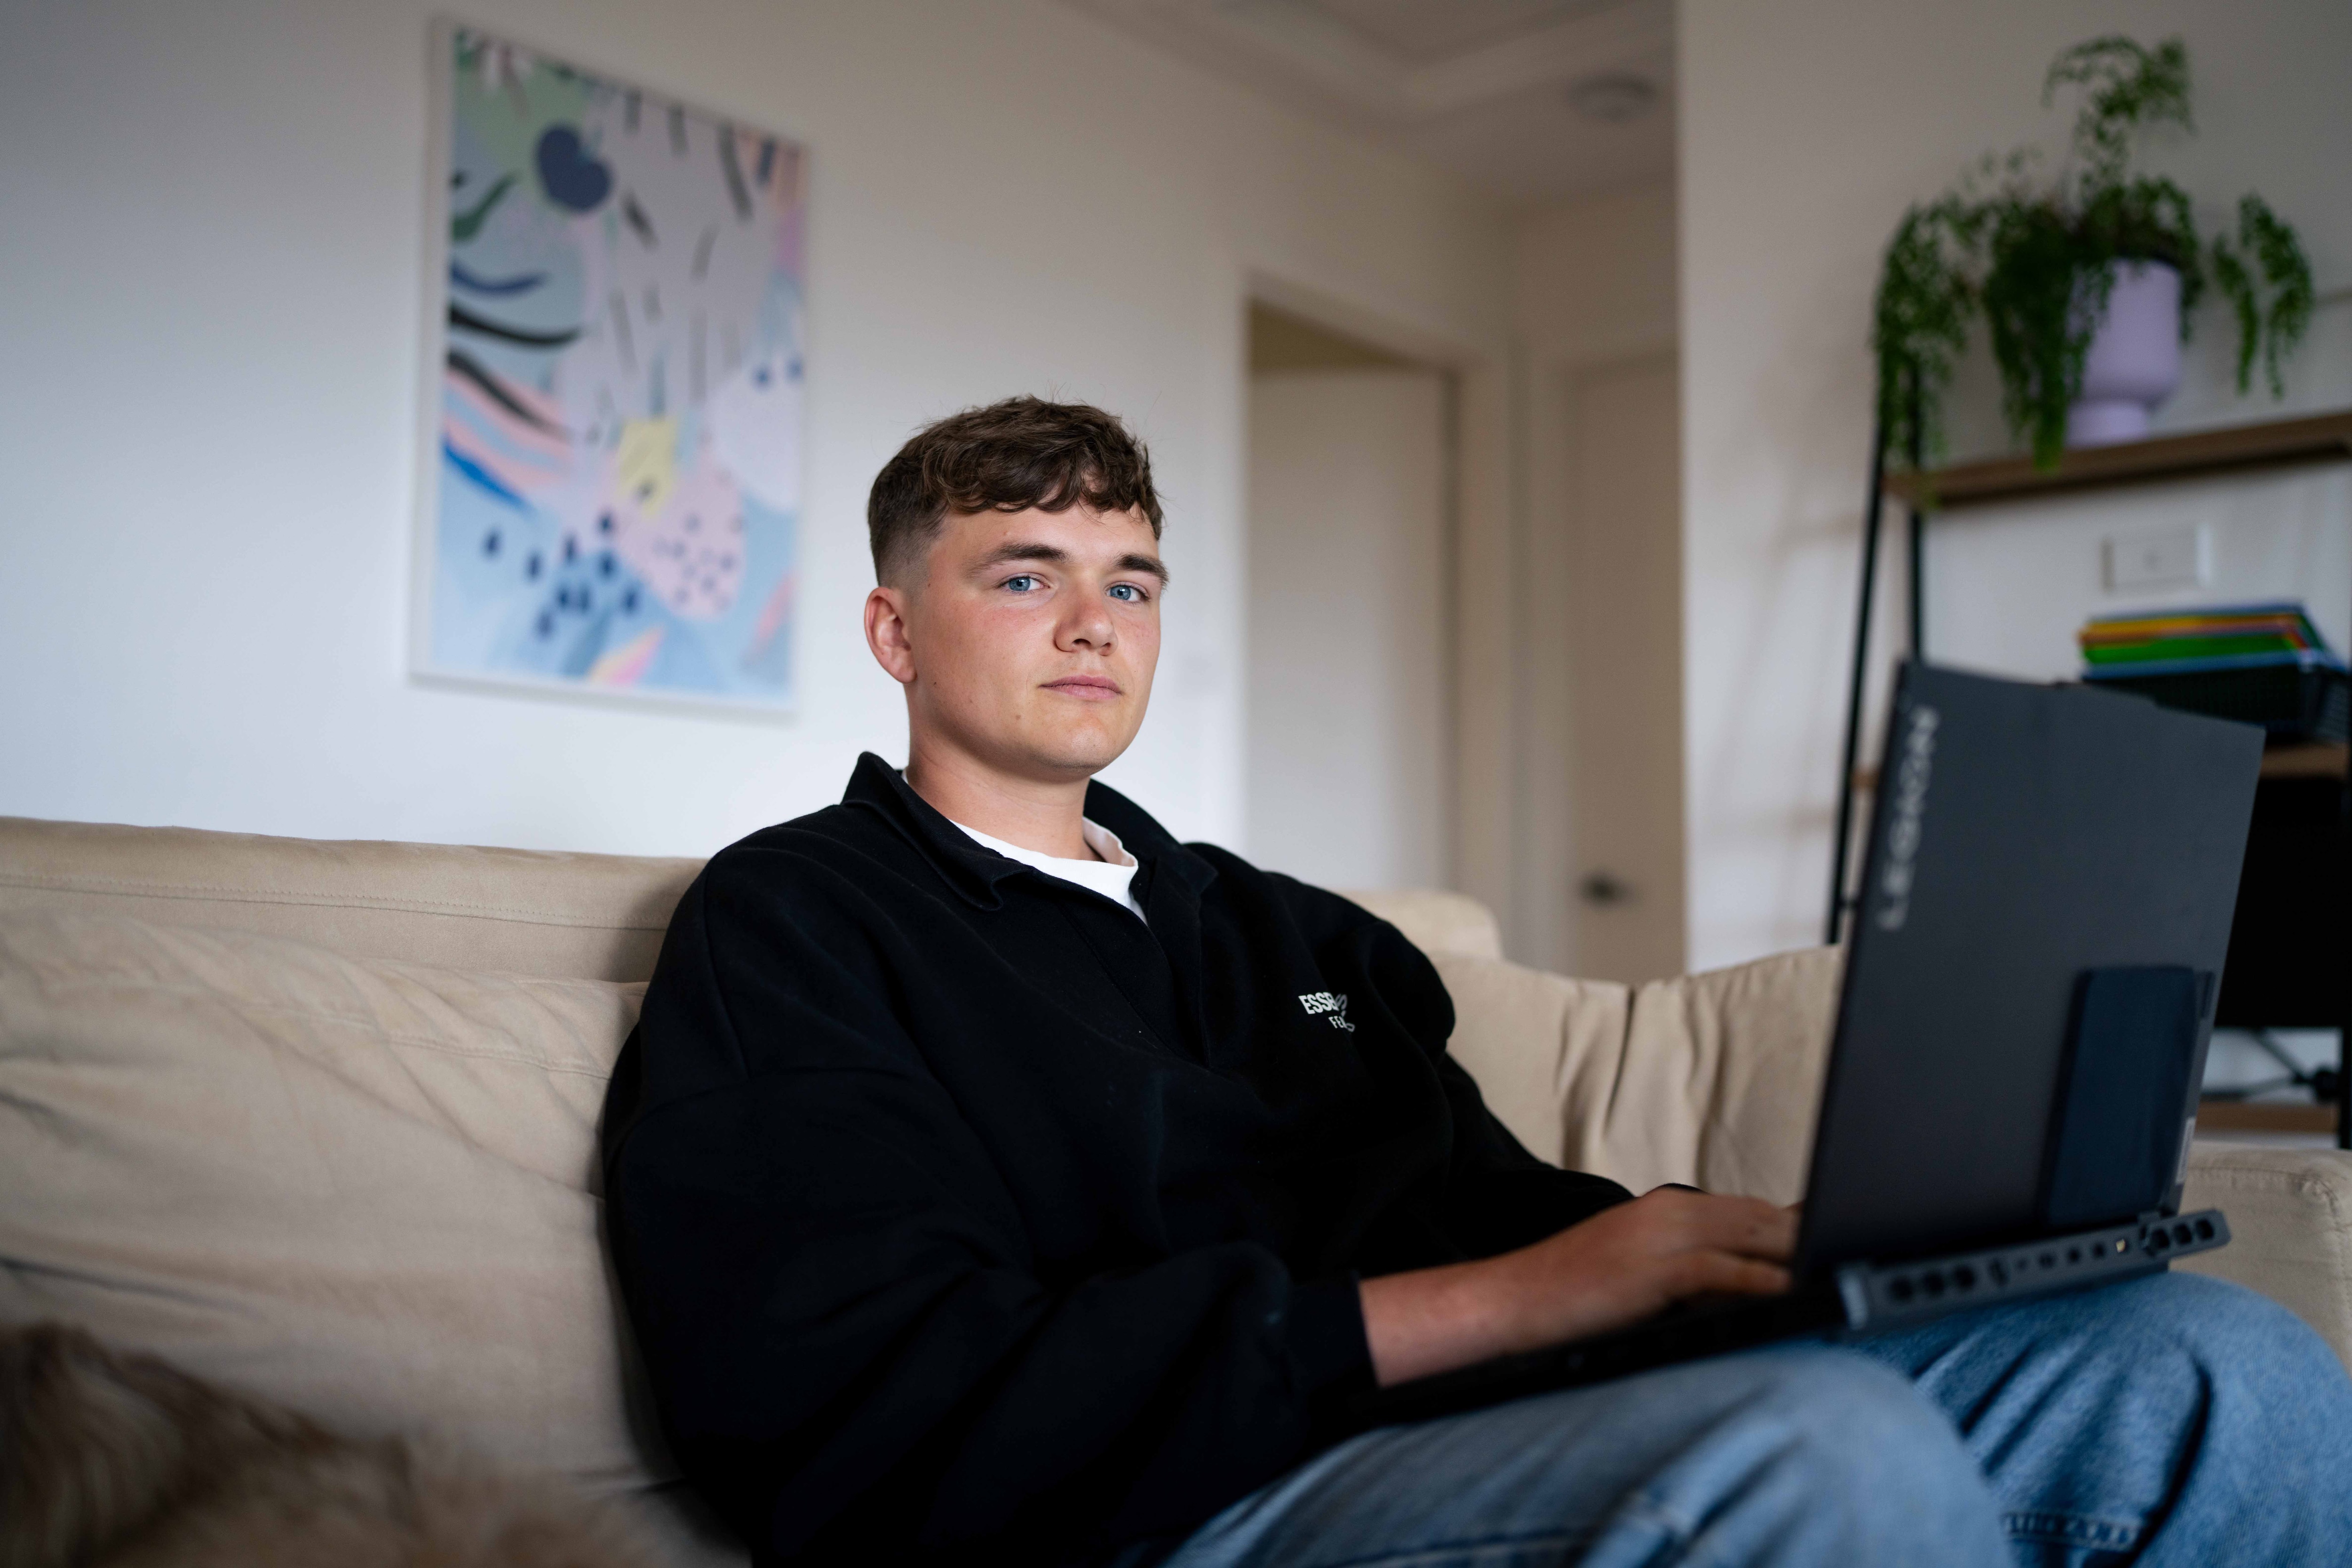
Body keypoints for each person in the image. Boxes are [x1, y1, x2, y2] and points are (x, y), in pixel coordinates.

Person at [600, 397, 2352, 1568]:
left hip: (1480, 1419)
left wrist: (1775, 1250)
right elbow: (854, 1407)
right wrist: (1551, 1295)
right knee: (1823, 1454)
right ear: (896, 633)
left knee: (2208, 1364)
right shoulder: (796, 926)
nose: (1094, 624)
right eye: (1024, 574)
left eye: (1129, 578)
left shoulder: (1288, 934)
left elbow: (1496, 1215)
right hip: (1179, 1507)